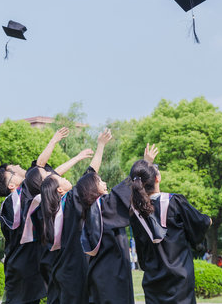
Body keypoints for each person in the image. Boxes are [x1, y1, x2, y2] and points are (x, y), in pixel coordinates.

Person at [0, 127, 93, 304]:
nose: (19, 171)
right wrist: (53, 140)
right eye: (13, 173)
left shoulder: (24, 196)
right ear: (11, 185)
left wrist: (77, 158)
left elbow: (51, 176)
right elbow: (40, 168)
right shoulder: (14, 200)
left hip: (30, 262)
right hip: (21, 264)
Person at [37, 129, 112, 304]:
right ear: (60, 190)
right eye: (60, 178)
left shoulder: (50, 210)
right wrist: (100, 145)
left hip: (59, 269)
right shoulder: (70, 202)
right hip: (75, 269)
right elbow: (91, 174)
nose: (63, 177)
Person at [128, 146, 211, 304]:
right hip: (180, 279)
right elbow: (200, 223)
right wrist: (208, 220)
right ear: (157, 178)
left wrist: (145, 164)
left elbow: (130, 184)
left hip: (153, 280)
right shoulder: (174, 202)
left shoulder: (134, 212)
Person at [77, 156, 136, 304]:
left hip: (99, 273)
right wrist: (140, 169)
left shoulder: (89, 210)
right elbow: (123, 191)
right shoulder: (103, 206)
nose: (105, 183)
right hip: (112, 274)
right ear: (91, 187)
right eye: (99, 181)